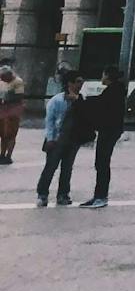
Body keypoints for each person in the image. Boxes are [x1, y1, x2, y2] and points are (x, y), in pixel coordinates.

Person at [77, 66, 127, 208]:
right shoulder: (115, 90)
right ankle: (98, 195)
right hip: (110, 130)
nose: (101, 78)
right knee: (101, 162)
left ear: (108, 76)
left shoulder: (113, 91)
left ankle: (101, 196)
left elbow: (99, 104)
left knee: (102, 163)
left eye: (103, 75)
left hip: (109, 130)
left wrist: (81, 100)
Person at [36, 73, 84, 207]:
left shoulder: (80, 100)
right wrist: (50, 138)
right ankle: (42, 194)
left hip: (73, 139)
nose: (81, 85)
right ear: (70, 83)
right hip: (57, 139)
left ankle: (63, 194)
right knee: (50, 167)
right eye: (78, 82)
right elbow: (49, 121)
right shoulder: (57, 100)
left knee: (67, 169)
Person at [0, 63, 25, 164]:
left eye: (3, 77)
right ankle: (2, 154)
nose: (2, 79)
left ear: (9, 75)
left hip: (13, 111)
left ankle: (8, 155)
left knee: (11, 134)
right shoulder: (2, 81)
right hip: (3, 110)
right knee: (3, 134)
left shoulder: (18, 82)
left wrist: (6, 99)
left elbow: (19, 96)